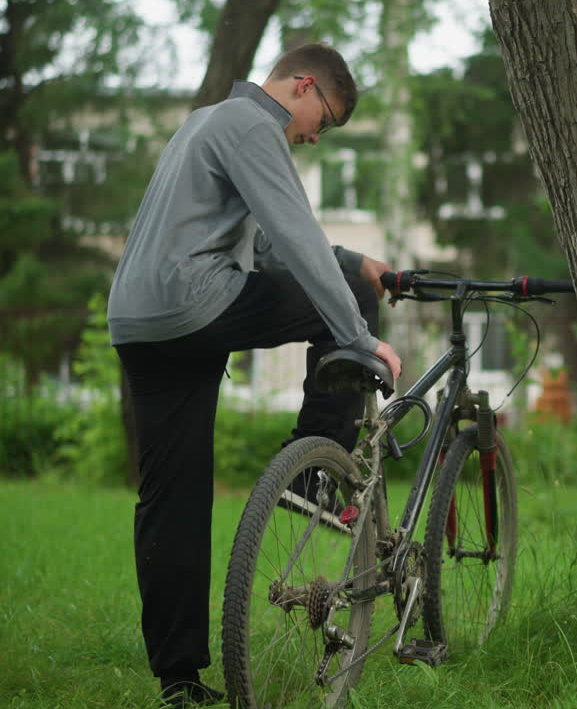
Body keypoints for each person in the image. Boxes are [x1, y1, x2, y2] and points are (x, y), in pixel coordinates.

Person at [106, 43, 402, 707]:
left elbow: (263, 245)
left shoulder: (204, 123)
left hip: (139, 326)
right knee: (348, 307)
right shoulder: (253, 126)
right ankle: (311, 479)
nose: (313, 136)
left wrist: (357, 261)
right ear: (302, 86)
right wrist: (361, 338)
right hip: (193, 308)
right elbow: (294, 237)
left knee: (171, 502)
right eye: (321, 121)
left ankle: (179, 679)